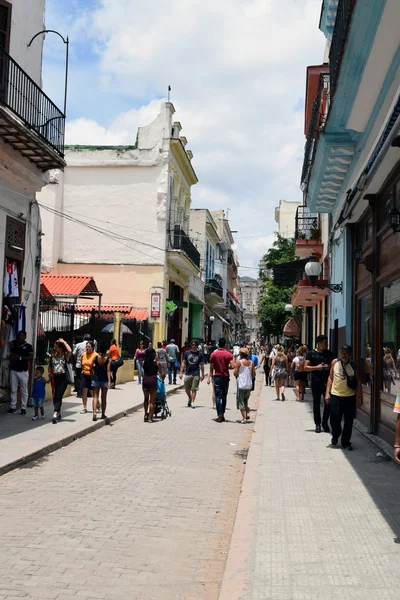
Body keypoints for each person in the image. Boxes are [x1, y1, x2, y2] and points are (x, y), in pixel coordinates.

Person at [325, 345, 362, 450]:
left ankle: (346, 442)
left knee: (348, 421)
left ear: (350, 354)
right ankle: (336, 434)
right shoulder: (335, 363)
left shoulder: (354, 365)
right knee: (334, 419)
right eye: (342, 352)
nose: (344, 354)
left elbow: (358, 381)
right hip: (336, 396)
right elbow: (330, 378)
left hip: (350, 397)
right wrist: (327, 393)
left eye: (346, 352)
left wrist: (360, 396)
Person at [305, 334, 333, 433]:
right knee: (316, 403)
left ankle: (325, 421)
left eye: (327, 343)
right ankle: (318, 424)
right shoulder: (311, 354)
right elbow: (306, 367)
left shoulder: (329, 353)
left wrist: (328, 367)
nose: (326, 345)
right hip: (316, 380)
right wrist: (317, 367)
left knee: (328, 402)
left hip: (327, 381)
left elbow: (333, 366)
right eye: (325, 343)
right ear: (319, 343)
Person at [207, 338, 234, 423]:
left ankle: (219, 415)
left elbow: (211, 368)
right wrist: (226, 367)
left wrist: (210, 377)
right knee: (224, 396)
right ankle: (223, 414)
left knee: (218, 396)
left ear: (218, 344)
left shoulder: (213, 354)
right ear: (225, 345)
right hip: (225, 377)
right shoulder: (229, 354)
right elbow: (233, 366)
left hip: (217, 376)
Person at [7, 330, 33, 415]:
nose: (20, 337)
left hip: (23, 371)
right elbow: (10, 350)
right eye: (19, 336)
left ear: (25, 337)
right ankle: (12, 407)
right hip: (14, 370)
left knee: (24, 390)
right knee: (13, 389)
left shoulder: (28, 346)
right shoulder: (14, 345)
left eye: (22, 336)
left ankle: (23, 408)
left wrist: (20, 358)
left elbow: (30, 357)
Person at [48, 338, 72, 424]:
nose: (54, 349)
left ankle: (55, 413)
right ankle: (58, 412)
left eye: (56, 347)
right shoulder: (53, 356)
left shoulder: (65, 355)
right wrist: (49, 374)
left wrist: (63, 342)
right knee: (55, 396)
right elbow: (50, 366)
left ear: (61, 348)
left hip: (63, 378)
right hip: (55, 378)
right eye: (54, 347)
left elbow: (70, 350)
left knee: (59, 395)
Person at [179, 339, 205, 408]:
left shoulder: (200, 354)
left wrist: (202, 375)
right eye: (192, 345)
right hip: (188, 373)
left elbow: (202, 365)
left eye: (195, 345)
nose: (194, 346)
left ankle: (192, 402)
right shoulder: (186, 353)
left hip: (196, 373)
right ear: (191, 345)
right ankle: (190, 398)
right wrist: (181, 372)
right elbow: (183, 363)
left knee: (194, 389)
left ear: (197, 346)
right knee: (187, 389)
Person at [234, 347, 255, 423]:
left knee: (241, 401)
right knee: (246, 401)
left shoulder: (239, 362)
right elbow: (253, 374)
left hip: (241, 384)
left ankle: (244, 418)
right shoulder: (251, 363)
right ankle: (245, 415)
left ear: (241, 354)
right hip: (249, 384)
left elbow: (235, 373)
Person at [91, 342, 111, 421]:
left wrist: (92, 375)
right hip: (104, 380)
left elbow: (90, 367)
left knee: (95, 396)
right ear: (106, 350)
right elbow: (108, 370)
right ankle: (103, 414)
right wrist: (109, 381)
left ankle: (94, 412)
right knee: (104, 398)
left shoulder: (96, 358)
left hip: (96, 379)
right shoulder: (108, 359)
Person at [142, 347, 161, 423]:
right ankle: (150, 418)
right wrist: (157, 359)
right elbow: (161, 371)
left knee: (146, 399)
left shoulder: (144, 362)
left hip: (145, 381)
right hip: (153, 381)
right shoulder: (157, 363)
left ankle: (145, 415)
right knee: (152, 401)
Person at [80, 341, 98, 414]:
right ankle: (84, 407)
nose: (87, 348)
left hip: (92, 376)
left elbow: (98, 366)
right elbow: (82, 364)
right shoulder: (83, 355)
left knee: (92, 392)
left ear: (92, 348)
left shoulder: (96, 355)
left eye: (89, 347)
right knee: (84, 391)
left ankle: (97, 404)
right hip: (84, 375)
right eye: (86, 347)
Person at [73, 333, 91, 398]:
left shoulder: (78, 345)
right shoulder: (91, 345)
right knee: (87, 379)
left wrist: (77, 358)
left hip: (79, 364)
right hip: (88, 365)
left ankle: (79, 393)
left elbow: (74, 354)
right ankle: (88, 393)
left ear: (84, 338)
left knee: (79, 379)